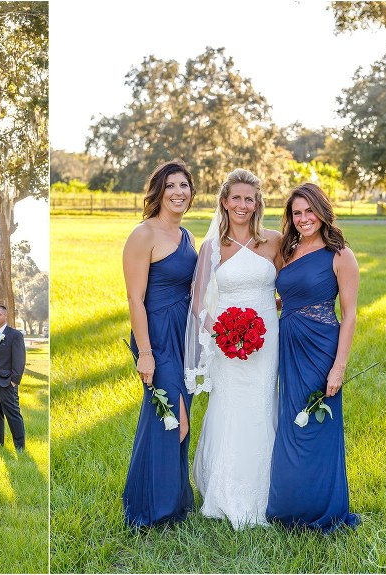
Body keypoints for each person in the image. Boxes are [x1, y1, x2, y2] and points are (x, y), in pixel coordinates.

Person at [184, 168, 282, 530]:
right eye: (236, 198)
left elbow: (290, 288)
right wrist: (223, 334)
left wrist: (268, 316)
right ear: (224, 202)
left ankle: (268, 492)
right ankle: (225, 494)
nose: (243, 205)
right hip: (227, 343)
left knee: (262, 404)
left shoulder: (273, 241)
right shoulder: (211, 247)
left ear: (258, 204)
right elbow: (197, 304)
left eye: (250, 199)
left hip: (266, 340)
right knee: (229, 407)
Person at [266, 183, 361, 533]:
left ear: (322, 211)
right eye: (297, 212)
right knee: (291, 424)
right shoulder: (288, 251)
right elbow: (287, 296)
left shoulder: (340, 255)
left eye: (309, 211)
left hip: (321, 348)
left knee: (317, 426)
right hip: (288, 345)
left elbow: (349, 315)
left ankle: (323, 508)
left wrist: (338, 367)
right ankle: (289, 505)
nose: (304, 218)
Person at [121, 158, 198, 528]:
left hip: (185, 338)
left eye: (184, 185)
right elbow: (135, 299)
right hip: (157, 339)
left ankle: (173, 502)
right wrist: (146, 353)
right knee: (173, 420)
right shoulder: (143, 235)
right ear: (159, 192)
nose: (178, 192)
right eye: (170, 186)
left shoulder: (188, 237)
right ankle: (151, 508)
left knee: (173, 421)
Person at [0, 305, 26, 451]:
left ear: (6, 316)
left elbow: (19, 359)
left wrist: (14, 380)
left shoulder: (15, 335)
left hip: (7, 381)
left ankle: (19, 445)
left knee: (13, 413)